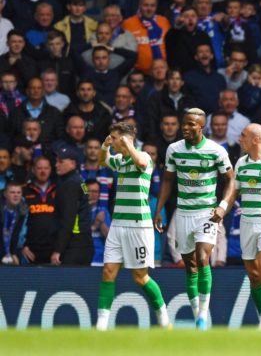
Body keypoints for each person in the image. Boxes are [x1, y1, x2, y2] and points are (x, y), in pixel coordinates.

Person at [154, 108, 235, 331]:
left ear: (201, 127)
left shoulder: (216, 150)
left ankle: (202, 317)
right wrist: (159, 210)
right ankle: (197, 314)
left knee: (202, 257)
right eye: (184, 124)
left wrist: (222, 206)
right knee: (190, 266)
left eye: (191, 124)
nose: (186, 128)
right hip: (183, 213)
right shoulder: (174, 149)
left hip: (207, 213)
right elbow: (167, 181)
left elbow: (231, 180)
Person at [95, 122, 170, 331]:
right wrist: (105, 146)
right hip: (118, 225)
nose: (112, 141)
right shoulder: (120, 161)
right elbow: (102, 160)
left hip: (138, 227)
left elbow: (142, 164)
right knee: (108, 271)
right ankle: (101, 327)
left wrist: (128, 145)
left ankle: (164, 318)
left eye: (114, 138)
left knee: (140, 277)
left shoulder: (144, 156)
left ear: (125, 138)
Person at [210, 123, 261, 329]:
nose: (240, 139)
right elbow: (234, 192)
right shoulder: (241, 163)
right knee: (254, 275)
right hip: (247, 222)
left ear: (256, 139)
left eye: (243, 136)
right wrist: (223, 209)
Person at [52, 145, 93, 266]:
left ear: (73, 164)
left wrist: (58, 249)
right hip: (84, 241)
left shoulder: (70, 184)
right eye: (56, 161)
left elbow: (68, 219)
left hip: (73, 244)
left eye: (61, 162)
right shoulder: (79, 180)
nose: (56, 165)